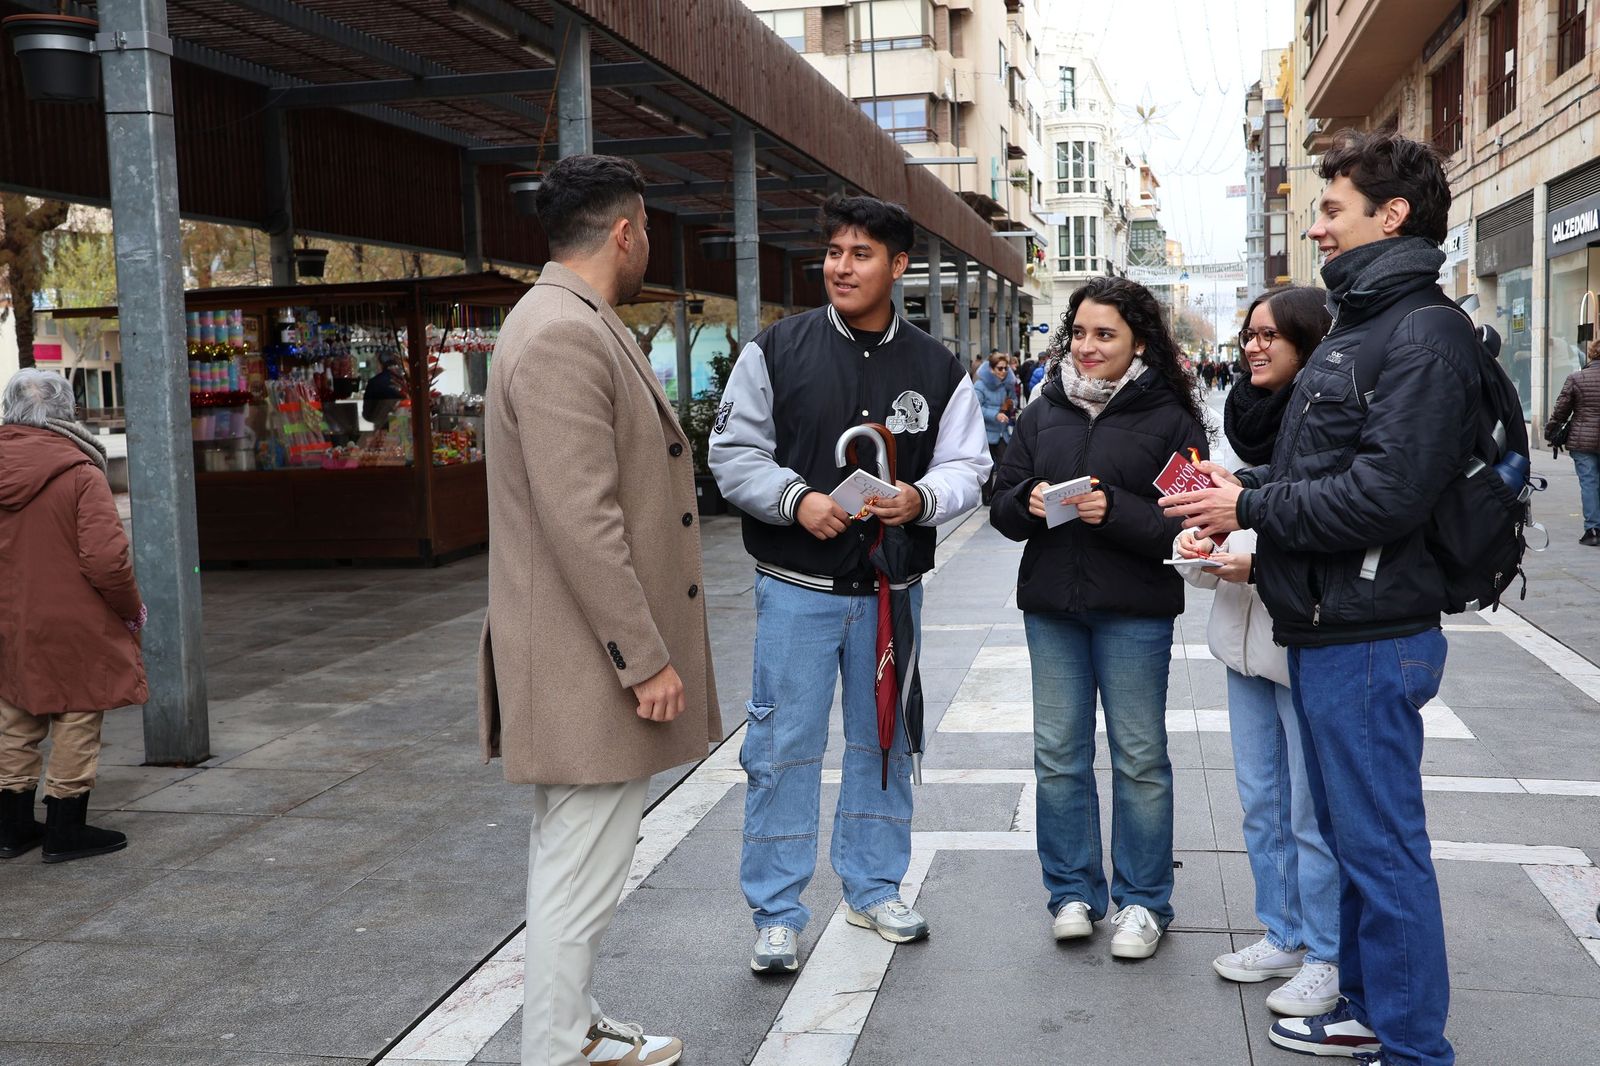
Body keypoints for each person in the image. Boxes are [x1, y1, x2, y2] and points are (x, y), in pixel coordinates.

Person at [1161, 129, 1476, 1066]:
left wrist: (1248, 502)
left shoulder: (1419, 332)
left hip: (1373, 631)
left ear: (1393, 215)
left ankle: (1414, 1046)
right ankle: (1367, 1012)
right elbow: (1327, 468)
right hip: (1335, 623)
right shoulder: (1368, 324)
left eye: (1332, 209)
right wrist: (1237, 510)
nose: (1316, 228)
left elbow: (1386, 494)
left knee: (1381, 853)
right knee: (1351, 840)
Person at [478, 153, 718, 1066]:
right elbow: (584, 519)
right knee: (581, 874)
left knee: (572, 865)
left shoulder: (563, 320)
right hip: (588, 667)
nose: (649, 241)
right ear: (625, 232)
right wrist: (644, 658)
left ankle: (572, 1031)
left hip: (580, 662)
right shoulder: (562, 334)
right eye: (648, 226)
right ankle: (554, 1049)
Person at [710, 194, 989, 975]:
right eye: (834, 251)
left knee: (883, 739)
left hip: (889, 595)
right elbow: (732, 452)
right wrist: (798, 499)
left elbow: (971, 463)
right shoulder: (776, 350)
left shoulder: (937, 367)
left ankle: (873, 887)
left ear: (899, 267)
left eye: (861, 254)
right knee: (780, 745)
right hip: (796, 587)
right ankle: (776, 910)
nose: (842, 266)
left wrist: (922, 499)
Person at [989, 277, 1207, 961]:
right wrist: (1026, 500)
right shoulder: (1040, 409)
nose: (1087, 347)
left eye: (1104, 335)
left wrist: (1112, 510)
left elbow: (1193, 521)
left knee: (1139, 758)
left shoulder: (1171, 415)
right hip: (1052, 607)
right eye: (1079, 332)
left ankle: (1144, 902)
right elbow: (999, 505)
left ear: (1138, 341)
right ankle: (1072, 894)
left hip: (1135, 611)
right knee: (1057, 755)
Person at [1174, 286, 1342, 1017]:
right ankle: (1282, 931)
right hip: (1241, 640)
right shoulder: (1231, 419)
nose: (1253, 345)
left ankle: (1330, 952)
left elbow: (1328, 521)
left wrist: (1258, 563)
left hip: (1305, 635)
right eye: (1248, 334)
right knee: (1262, 803)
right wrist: (1193, 547)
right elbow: (1219, 518)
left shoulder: (1327, 421)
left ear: (1308, 340)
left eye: (1270, 335)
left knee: (1313, 809)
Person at [0, 369, 145, 865]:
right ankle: (65, 828)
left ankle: (12, 827)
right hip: (74, 617)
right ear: (66, 411)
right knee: (77, 712)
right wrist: (131, 610)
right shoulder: (80, 471)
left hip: (8, 617)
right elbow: (107, 560)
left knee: (15, 711)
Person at [1547, 337, 1600, 544]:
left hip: (1582, 440)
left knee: (1589, 482)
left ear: (1592, 354)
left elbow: (1561, 410)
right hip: (1585, 440)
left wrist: (1551, 430)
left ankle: (1593, 531)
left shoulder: (1577, 378)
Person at [974, 351, 1016, 503]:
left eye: (1005, 368)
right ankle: (987, 497)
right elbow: (976, 407)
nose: (1003, 371)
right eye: (1000, 368)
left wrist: (1012, 405)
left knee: (1006, 464)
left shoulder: (1007, 384)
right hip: (985, 433)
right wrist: (995, 414)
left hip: (1002, 432)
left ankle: (1002, 494)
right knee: (987, 467)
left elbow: (1013, 400)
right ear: (991, 369)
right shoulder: (980, 385)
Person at [360, 350, 408, 427]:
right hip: (402, 423)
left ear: (380, 364)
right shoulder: (405, 380)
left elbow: (367, 413)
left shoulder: (374, 382)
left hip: (381, 425)